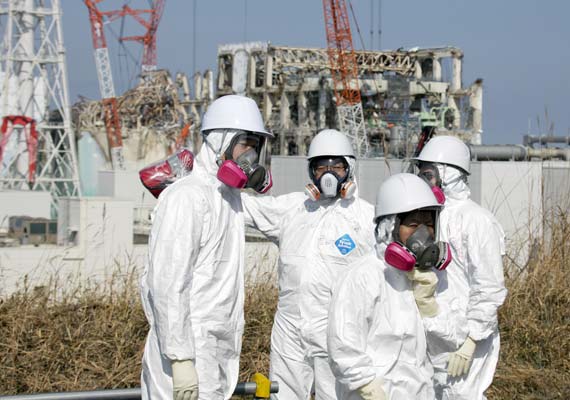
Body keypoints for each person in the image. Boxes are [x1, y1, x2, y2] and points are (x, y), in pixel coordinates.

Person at [139, 95, 274, 400]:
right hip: (186, 353)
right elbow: (167, 283)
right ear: (218, 141)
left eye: (256, 146)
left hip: (213, 351)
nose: (250, 155)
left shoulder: (229, 198)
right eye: (245, 144)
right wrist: (180, 357)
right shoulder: (186, 197)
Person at [242, 129, 376, 399]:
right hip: (289, 329)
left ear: (349, 168)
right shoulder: (294, 208)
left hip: (337, 331)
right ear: (311, 172)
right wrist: (202, 183)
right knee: (283, 394)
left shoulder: (366, 217)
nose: (328, 174)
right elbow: (241, 206)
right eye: (320, 167)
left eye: (336, 166)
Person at [327, 173, 467, 400]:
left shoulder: (432, 278)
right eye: (412, 224)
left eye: (429, 223)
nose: (424, 233)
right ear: (389, 226)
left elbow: (451, 342)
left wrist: (430, 307)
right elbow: (343, 343)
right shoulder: (364, 276)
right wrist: (366, 385)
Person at [413, 135, 507, 400]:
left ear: (450, 174)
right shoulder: (426, 216)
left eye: (428, 174)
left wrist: (472, 341)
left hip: (465, 338)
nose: (423, 180)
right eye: (421, 173)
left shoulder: (477, 221)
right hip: (430, 334)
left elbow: (488, 288)